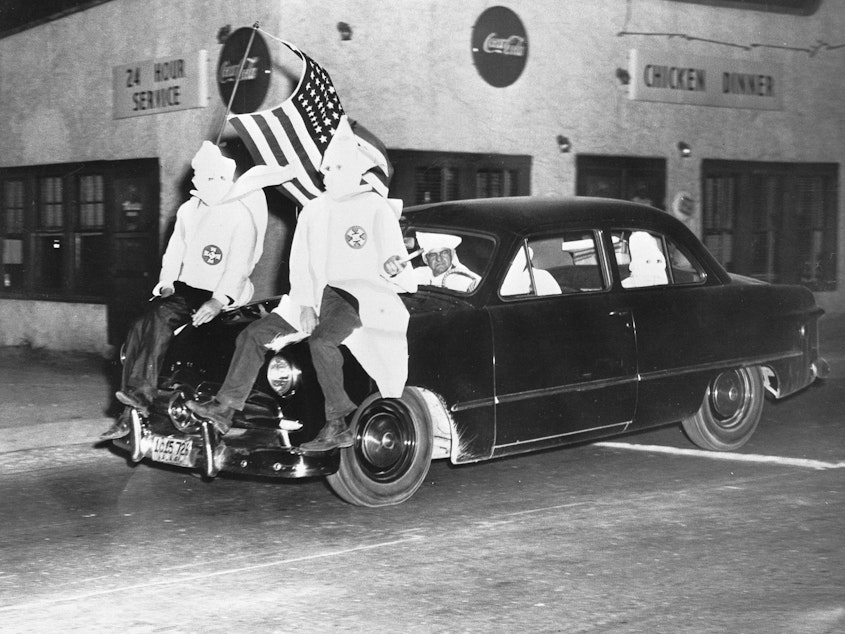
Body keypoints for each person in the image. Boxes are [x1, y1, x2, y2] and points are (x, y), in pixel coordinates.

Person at [188, 116, 416, 452]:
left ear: (354, 170)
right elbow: (300, 263)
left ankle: (338, 422)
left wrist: (393, 267)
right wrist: (306, 303)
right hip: (313, 295)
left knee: (322, 342)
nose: (325, 174)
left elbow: (393, 261)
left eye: (334, 168)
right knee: (252, 335)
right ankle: (225, 408)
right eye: (325, 169)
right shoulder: (313, 210)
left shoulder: (375, 209)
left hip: (356, 297)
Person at [100, 141, 286, 440]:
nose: (209, 183)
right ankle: (135, 403)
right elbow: (175, 251)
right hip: (187, 288)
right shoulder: (189, 210)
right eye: (203, 177)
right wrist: (166, 282)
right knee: (141, 325)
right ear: (196, 180)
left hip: (221, 290)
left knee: (164, 319)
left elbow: (238, 265)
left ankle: (145, 398)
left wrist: (218, 299)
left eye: (215, 178)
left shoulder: (240, 214)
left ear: (226, 180)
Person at [413, 232, 481, 292]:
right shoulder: (418, 273)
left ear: (452, 254)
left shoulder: (463, 281)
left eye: (444, 252)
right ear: (426, 260)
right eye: (433, 255)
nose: (439, 259)